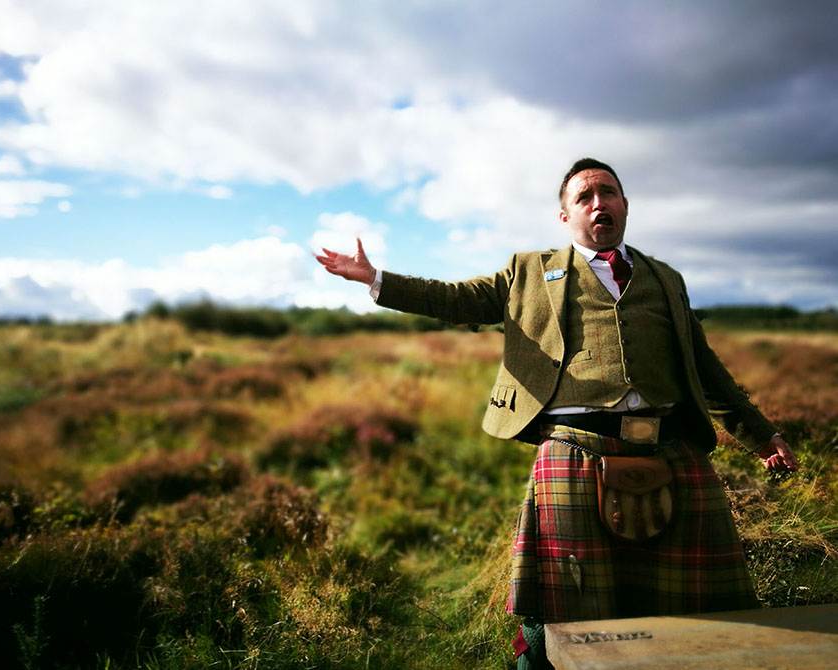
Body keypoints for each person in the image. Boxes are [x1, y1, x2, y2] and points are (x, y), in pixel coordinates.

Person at [316, 157, 798, 669]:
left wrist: (762, 435)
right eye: (585, 197)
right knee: (570, 608)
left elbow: (704, 367)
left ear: (626, 206)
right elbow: (455, 299)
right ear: (565, 216)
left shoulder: (666, 277)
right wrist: (376, 279)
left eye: (608, 194)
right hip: (573, 449)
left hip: (672, 447)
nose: (599, 204)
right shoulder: (527, 272)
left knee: (697, 602)